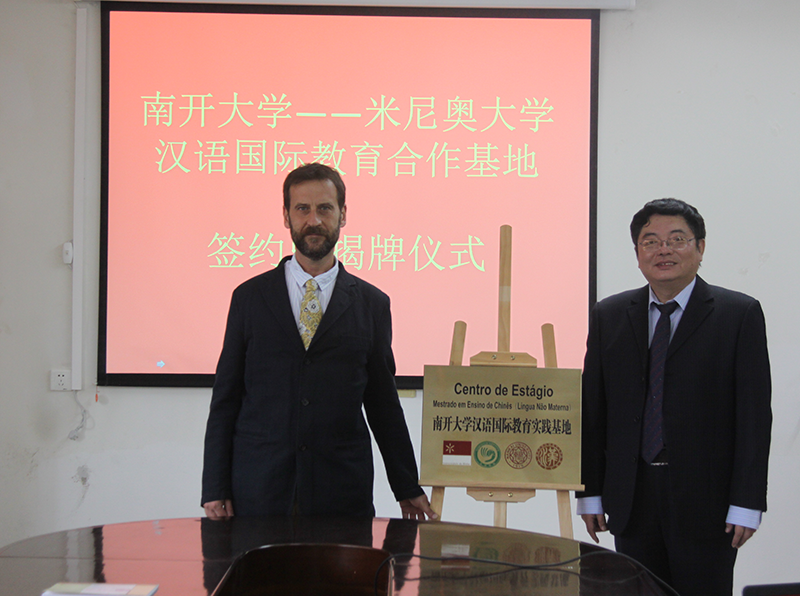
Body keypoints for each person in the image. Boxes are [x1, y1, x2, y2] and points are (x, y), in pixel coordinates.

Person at [202, 162, 436, 521]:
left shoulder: (371, 304)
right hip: (259, 491)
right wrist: (215, 486)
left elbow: (383, 404)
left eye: (325, 208)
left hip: (342, 493)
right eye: (302, 209)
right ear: (286, 216)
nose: (314, 220)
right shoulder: (249, 298)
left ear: (343, 214)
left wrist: (406, 485)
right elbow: (226, 399)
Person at [577, 198, 771, 596]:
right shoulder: (609, 315)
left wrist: (747, 502)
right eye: (650, 241)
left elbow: (753, 417)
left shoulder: (738, 314)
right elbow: (593, 412)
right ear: (637, 253)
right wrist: (589, 493)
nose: (663, 250)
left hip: (709, 503)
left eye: (677, 239)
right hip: (631, 498)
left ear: (700, 248)